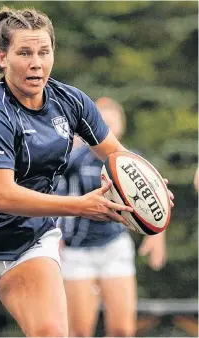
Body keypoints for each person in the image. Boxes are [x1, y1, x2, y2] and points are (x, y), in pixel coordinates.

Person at [0, 7, 173, 337]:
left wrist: (147, 184)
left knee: (52, 333)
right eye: (24, 52)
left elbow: (116, 155)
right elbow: (3, 196)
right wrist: (81, 206)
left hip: (30, 239)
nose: (36, 62)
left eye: (44, 51)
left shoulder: (72, 102)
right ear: (2, 57)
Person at [57, 97, 168, 337]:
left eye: (112, 120)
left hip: (114, 246)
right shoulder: (74, 159)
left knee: (122, 330)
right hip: (77, 250)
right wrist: (55, 237)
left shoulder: (131, 160)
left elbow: (154, 200)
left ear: (121, 125)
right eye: (102, 120)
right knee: (80, 331)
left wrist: (158, 234)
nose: (107, 124)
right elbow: (55, 195)